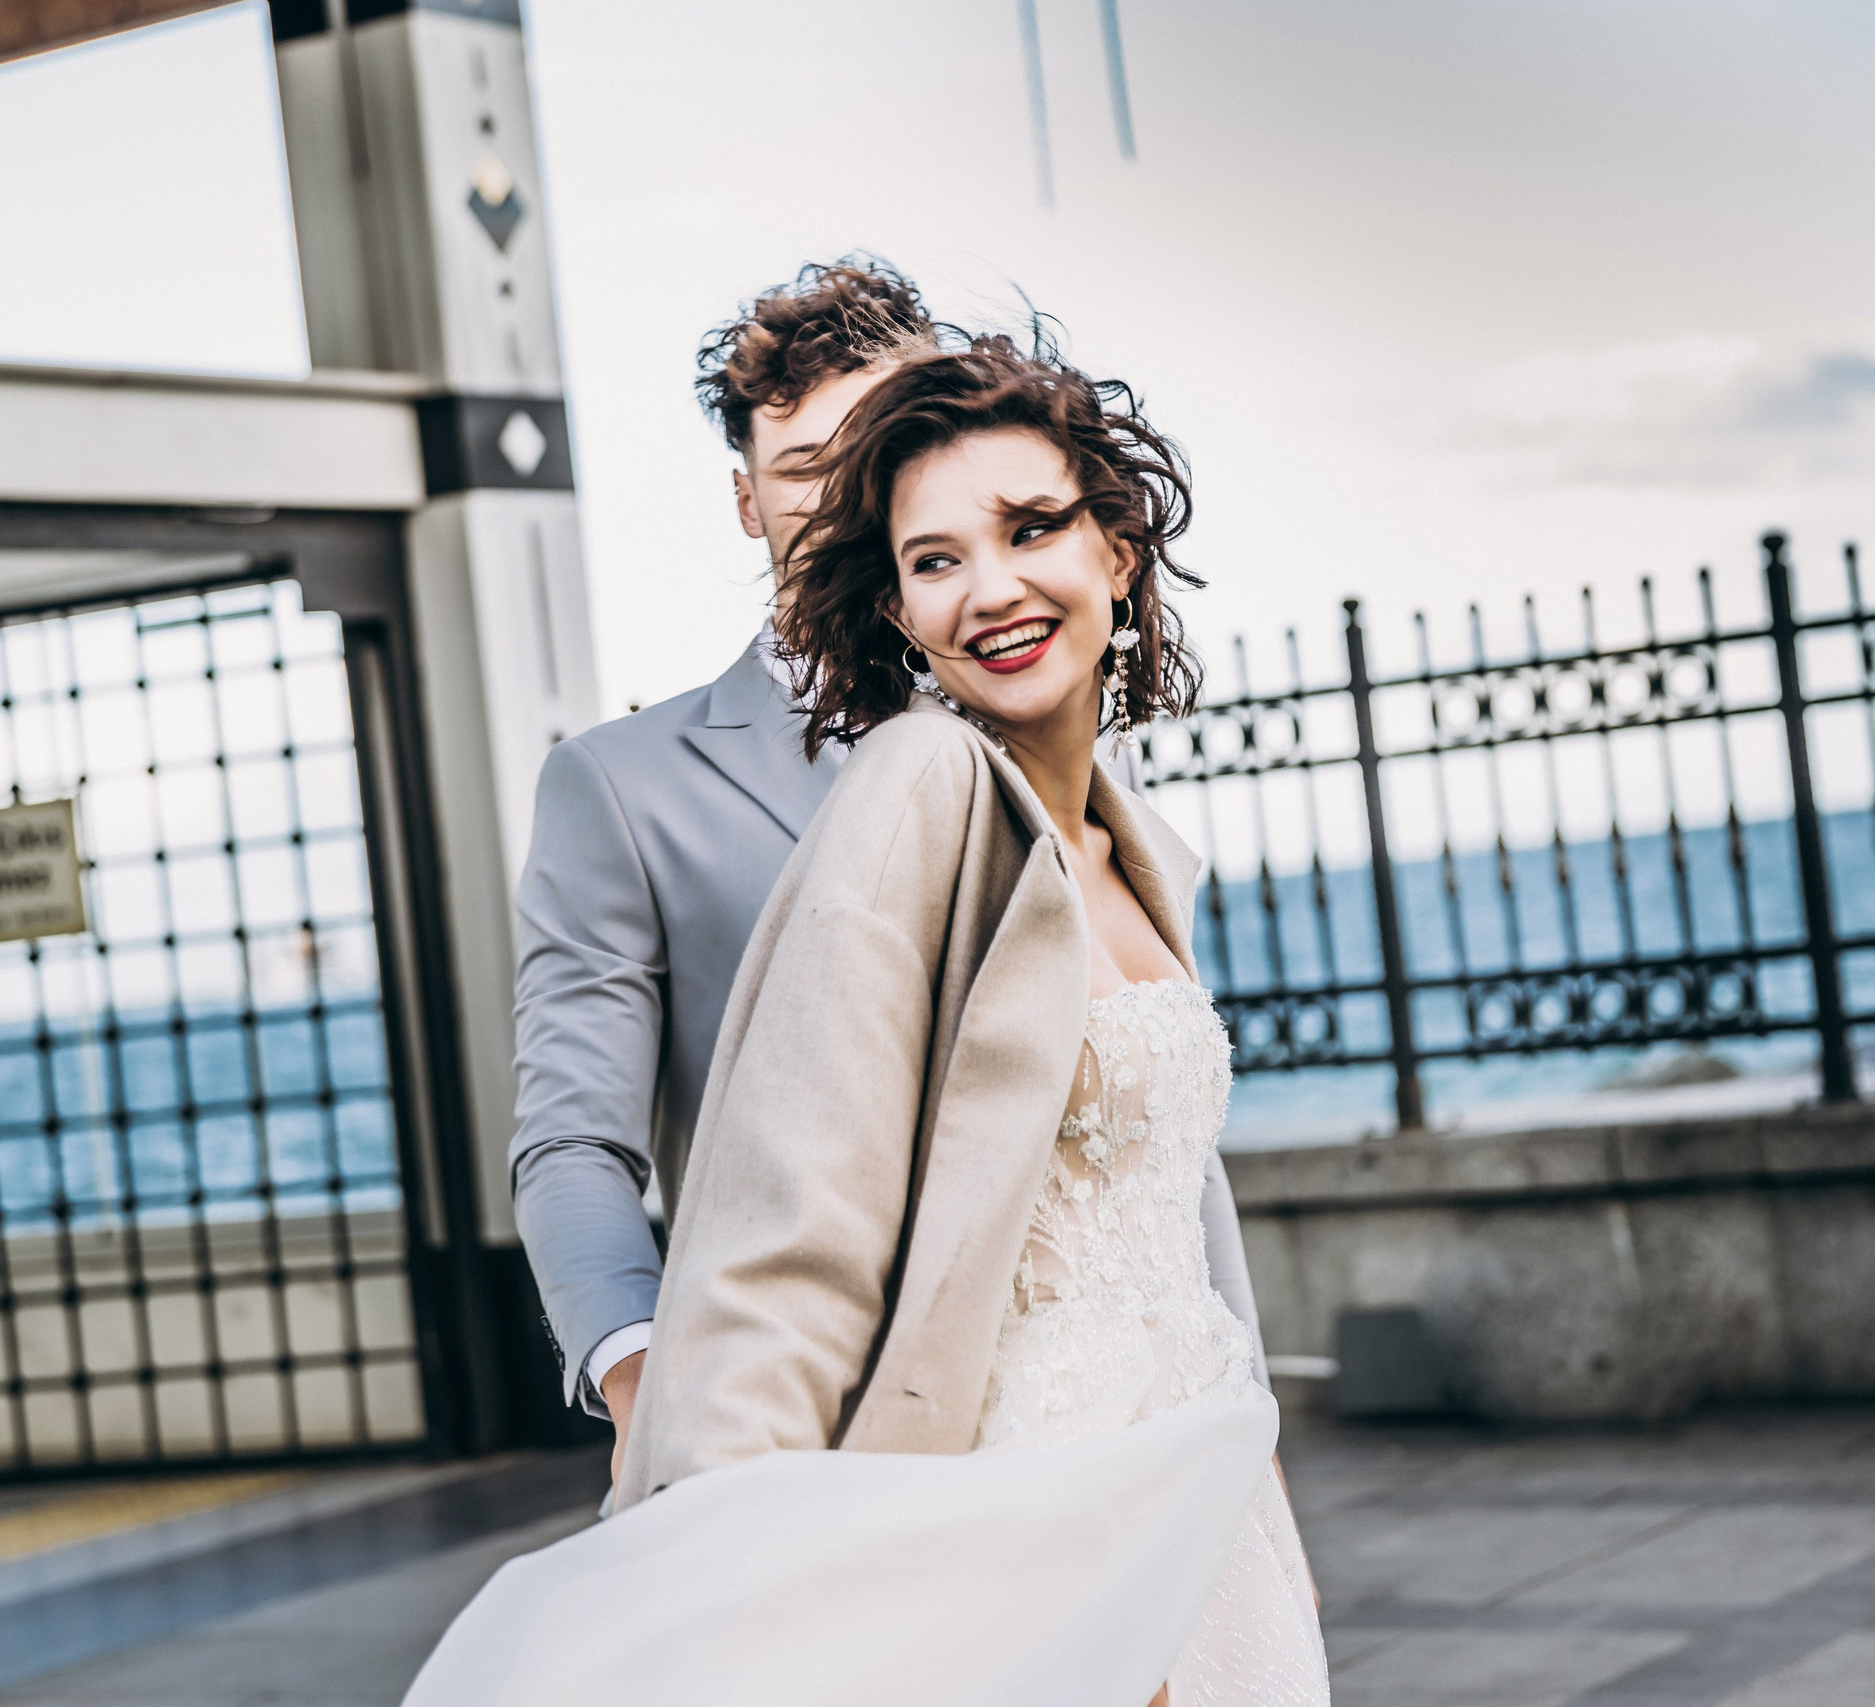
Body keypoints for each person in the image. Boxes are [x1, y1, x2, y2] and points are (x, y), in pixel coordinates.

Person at [411, 337, 1326, 1706]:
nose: (992, 582)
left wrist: (1251, 1458)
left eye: (1030, 527)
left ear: (1119, 550)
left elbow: (1173, 1195)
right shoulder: (905, 783)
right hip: (999, 1464)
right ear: (886, 589)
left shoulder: (1129, 834)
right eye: (935, 552)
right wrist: (700, 1471)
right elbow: (775, 1205)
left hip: (1191, 1468)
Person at [507, 261, 1267, 1490]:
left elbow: (1152, 1143)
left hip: (1124, 1415)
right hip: (829, 1426)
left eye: (884, 447)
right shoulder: (623, 789)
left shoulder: (1051, 736)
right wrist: (650, 1389)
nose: (853, 494)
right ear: (747, 501)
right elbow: (575, 1144)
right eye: (810, 468)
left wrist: (1249, 1416)